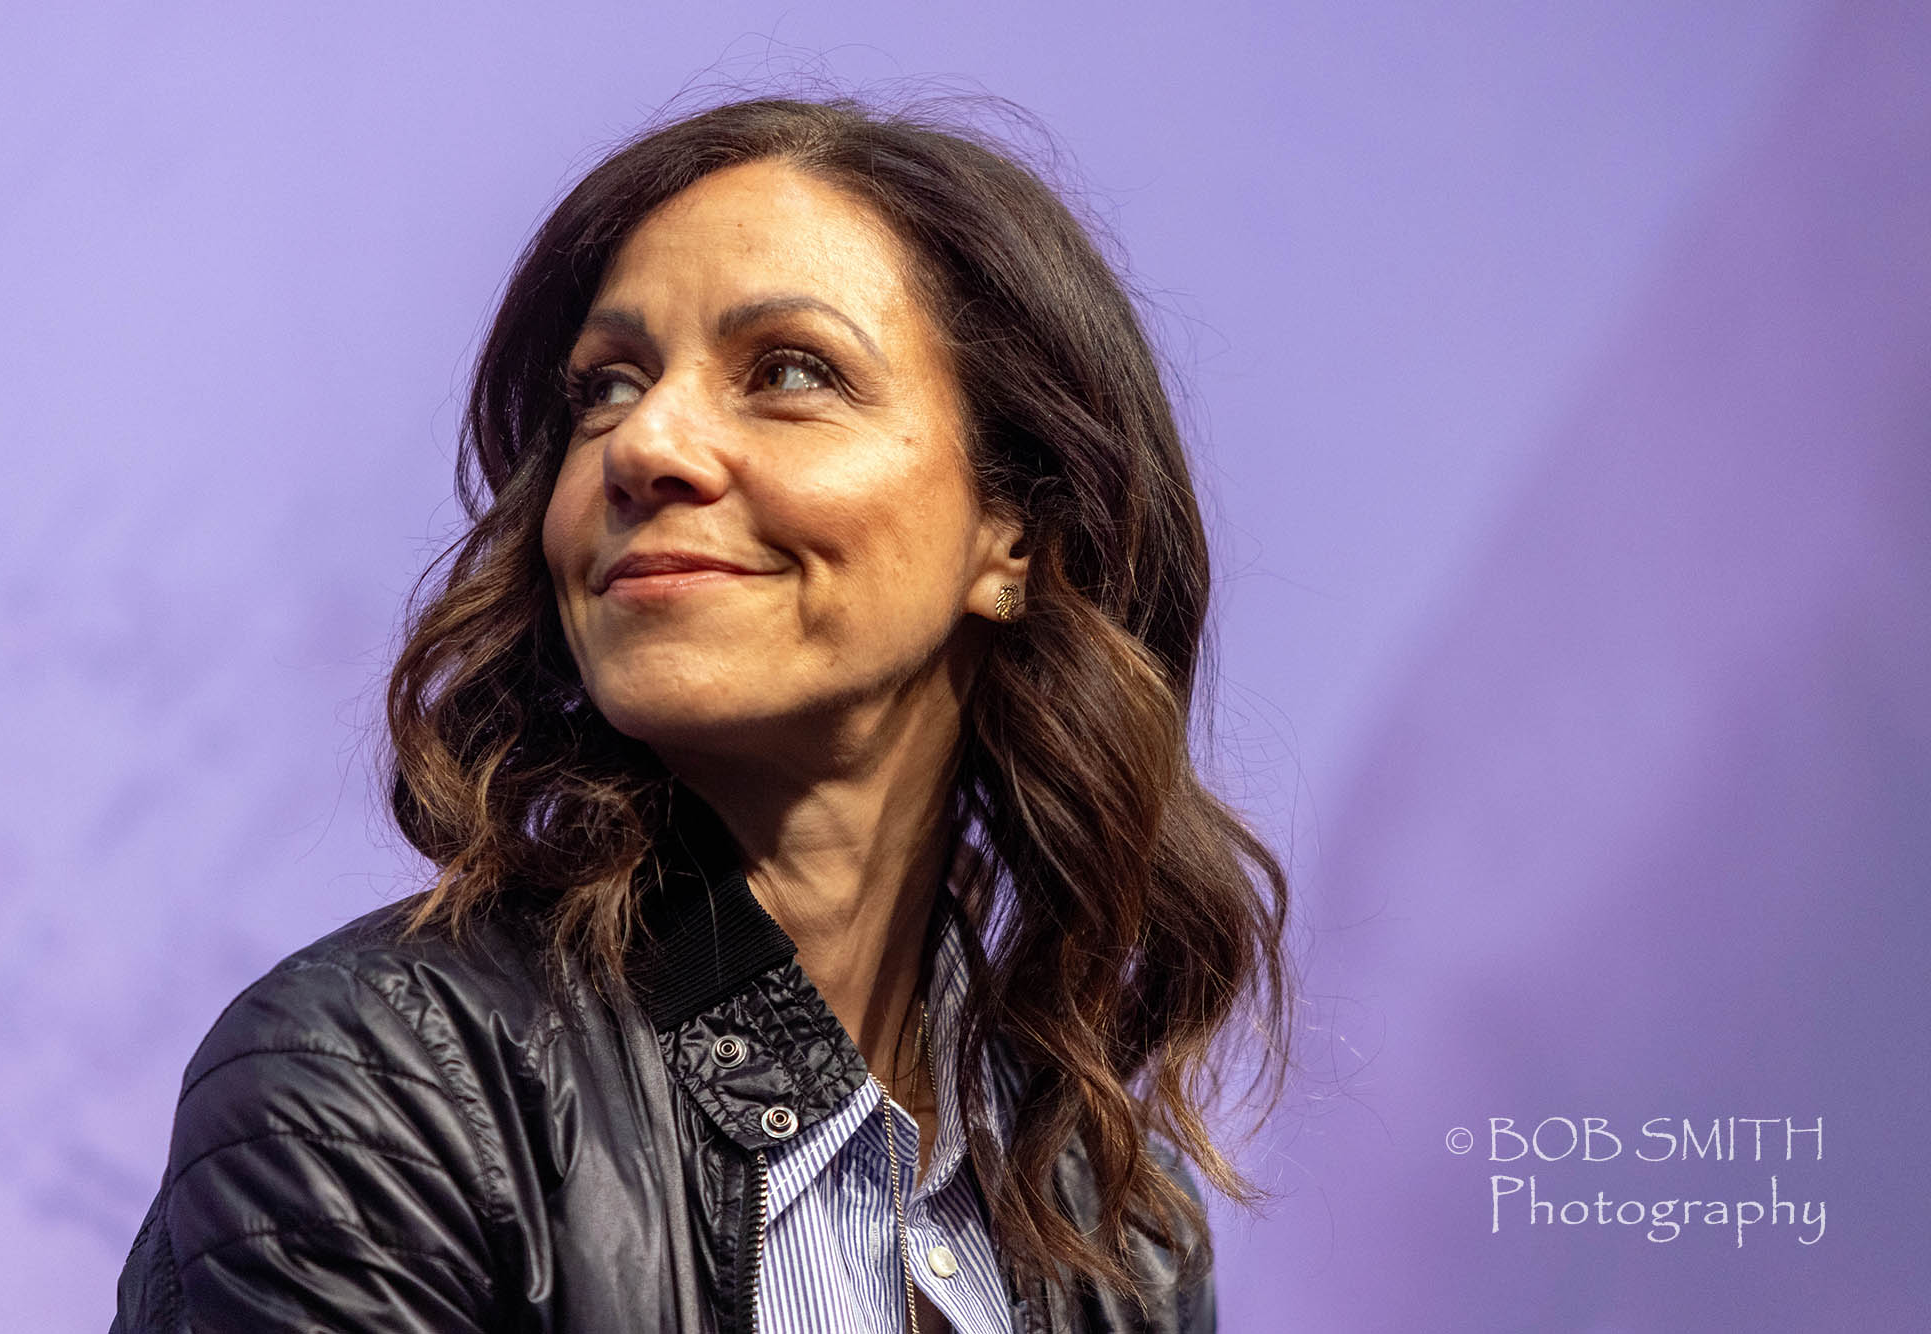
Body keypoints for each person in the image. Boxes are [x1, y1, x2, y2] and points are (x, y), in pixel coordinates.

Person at [111, 92, 1291, 1333]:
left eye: (788, 371)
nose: (644, 443)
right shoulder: (373, 1086)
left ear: (1015, 533)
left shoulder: (1118, 1227)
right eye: (606, 388)